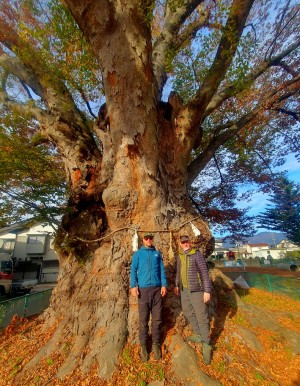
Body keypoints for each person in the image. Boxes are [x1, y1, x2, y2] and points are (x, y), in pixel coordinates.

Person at [174, 235, 213, 365]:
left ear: (190, 243)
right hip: (184, 291)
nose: (185, 244)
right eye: (183, 242)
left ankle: (206, 344)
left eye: (186, 242)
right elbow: (178, 272)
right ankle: (198, 334)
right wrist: (176, 285)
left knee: (202, 316)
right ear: (180, 244)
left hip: (197, 290)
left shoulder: (196, 255)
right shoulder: (180, 256)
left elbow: (204, 273)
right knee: (188, 312)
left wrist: (207, 291)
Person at [130, 232, 168, 362]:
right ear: (143, 240)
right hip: (143, 291)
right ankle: (143, 346)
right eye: (146, 238)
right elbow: (133, 270)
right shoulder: (138, 254)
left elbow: (162, 270)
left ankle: (156, 345)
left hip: (157, 290)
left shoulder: (157, 254)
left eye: (150, 238)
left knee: (157, 320)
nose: (148, 240)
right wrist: (133, 286)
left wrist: (164, 285)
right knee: (143, 321)